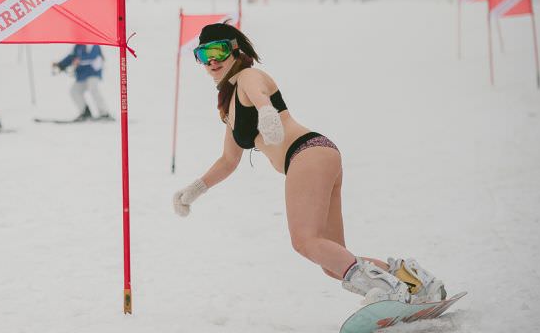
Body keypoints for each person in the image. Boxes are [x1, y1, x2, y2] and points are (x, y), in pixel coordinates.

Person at [171, 23, 447, 305]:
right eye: (204, 54)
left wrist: (267, 113)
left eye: (218, 50)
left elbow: (260, 94)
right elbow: (229, 160)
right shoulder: (229, 106)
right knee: (332, 259)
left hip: (305, 154)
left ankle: (390, 293)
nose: (212, 61)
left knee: (304, 241)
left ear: (234, 49)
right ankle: (413, 281)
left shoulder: (248, 77)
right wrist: (195, 190)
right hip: (319, 154)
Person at [54, 45, 111, 122]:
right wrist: (60, 65)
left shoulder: (93, 44)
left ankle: (104, 113)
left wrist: (79, 60)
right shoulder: (78, 46)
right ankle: (85, 112)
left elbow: (93, 56)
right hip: (82, 75)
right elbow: (71, 57)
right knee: (74, 91)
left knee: (93, 89)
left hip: (93, 72)